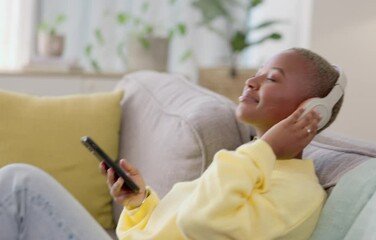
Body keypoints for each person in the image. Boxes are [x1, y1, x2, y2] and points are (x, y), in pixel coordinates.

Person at [0, 47, 344, 240]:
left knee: (19, 185)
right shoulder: (251, 164)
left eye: (271, 79)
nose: (251, 82)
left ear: (310, 111)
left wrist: (264, 149)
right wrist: (140, 205)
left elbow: (201, 223)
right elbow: (178, 227)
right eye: (258, 71)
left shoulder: (295, 192)